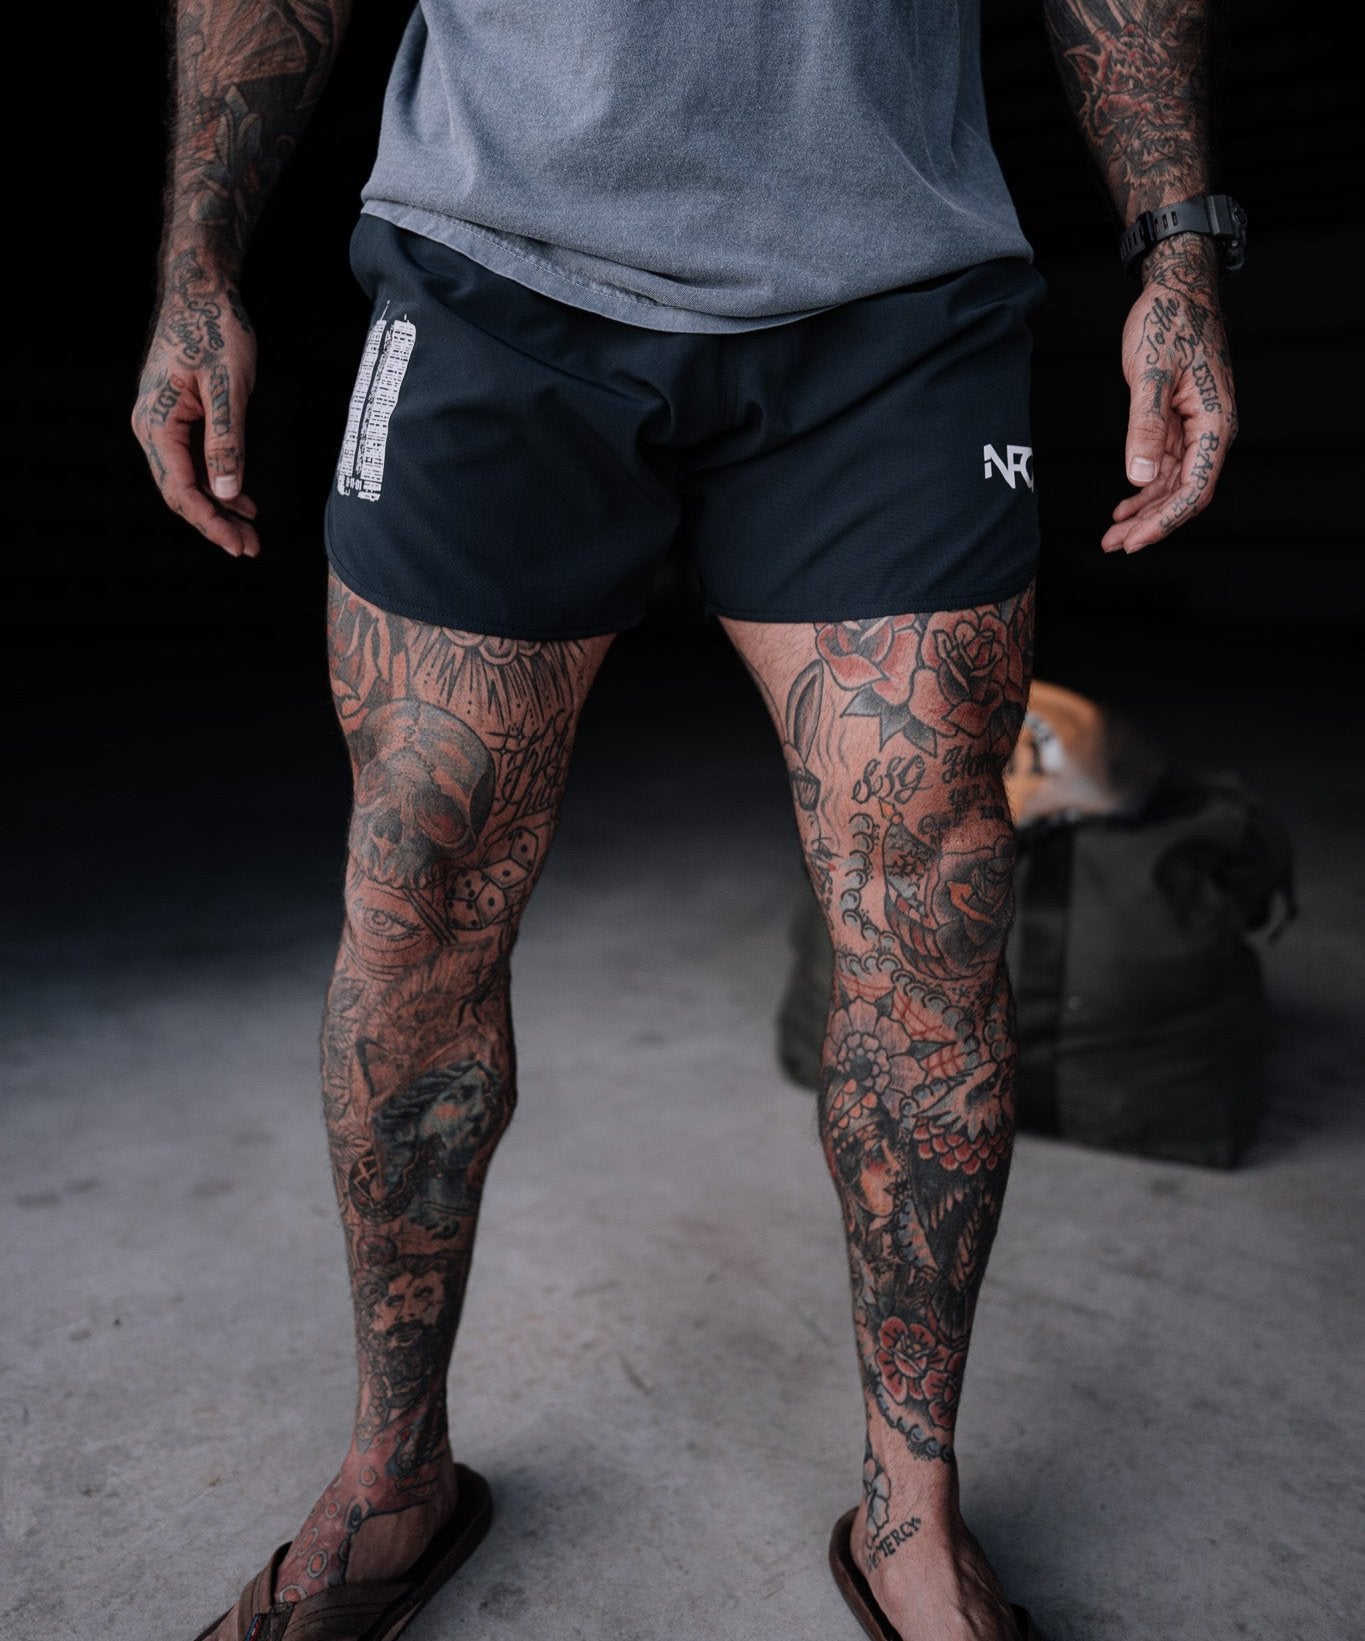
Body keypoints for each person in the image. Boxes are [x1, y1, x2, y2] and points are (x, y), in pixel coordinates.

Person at [131, 1, 1239, 1637]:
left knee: (930, 891)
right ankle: (392, 1470)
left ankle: (910, 1512)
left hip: (893, 292)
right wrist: (194, 264)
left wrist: (1178, 249)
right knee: (418, 874)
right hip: (490, 266)